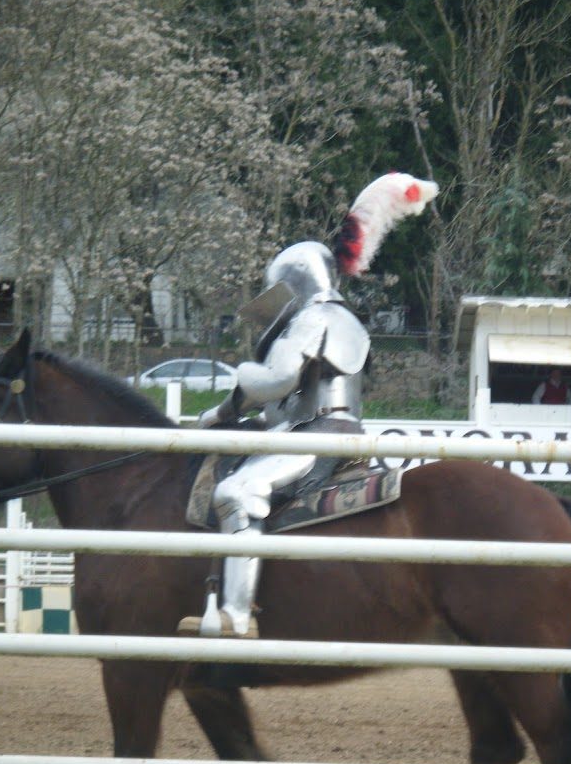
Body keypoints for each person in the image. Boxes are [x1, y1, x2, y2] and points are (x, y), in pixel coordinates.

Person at [177, 172, 439, 638]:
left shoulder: (317, 317)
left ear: (293, 285)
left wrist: (236, 386)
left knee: (237, 492)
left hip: (320, 435)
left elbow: (276, 380)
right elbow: (279, 399)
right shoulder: (334, 317)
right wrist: (226, 415)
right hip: (309, 431)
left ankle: (237, 615)